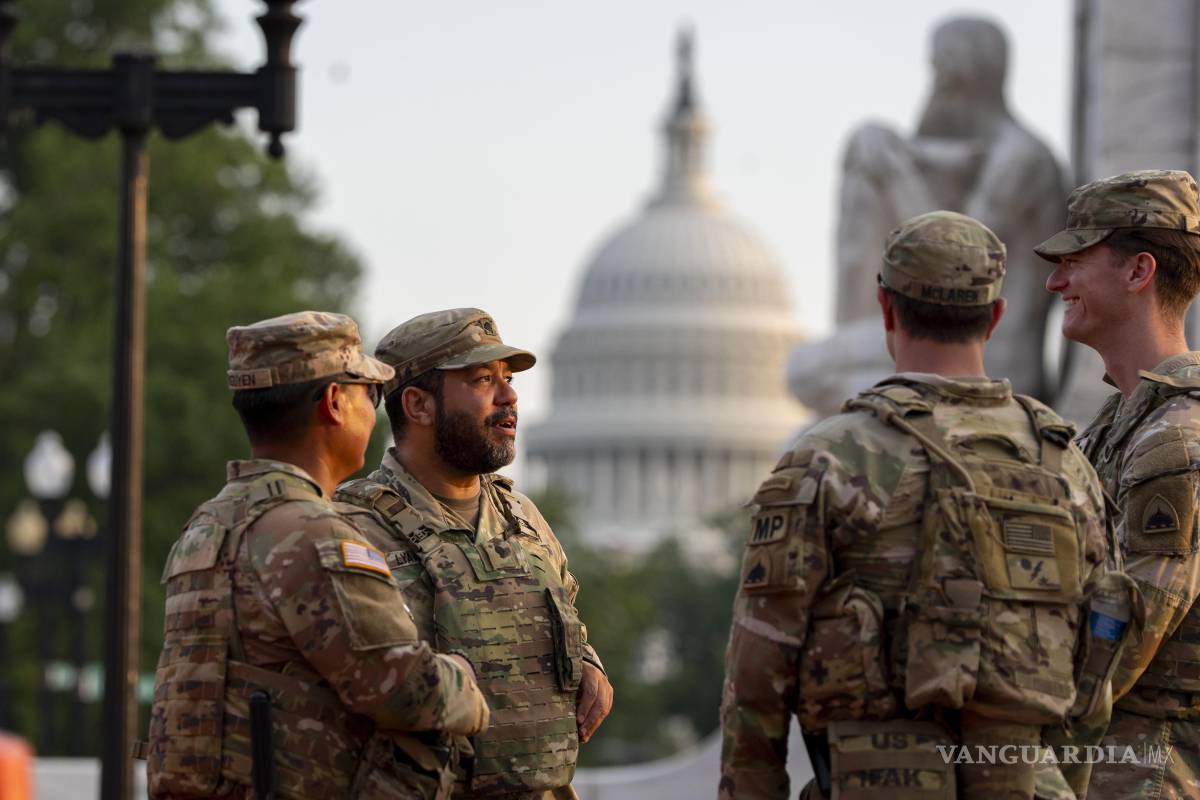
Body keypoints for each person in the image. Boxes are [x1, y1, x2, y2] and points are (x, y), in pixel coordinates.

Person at [720, 212, 1122, 800]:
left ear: (885, 308)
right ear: (995, 317)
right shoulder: (1067, 467)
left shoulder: (827, 460)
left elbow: (756, 678)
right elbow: (1096, 672)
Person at [145, 311, 489, 800]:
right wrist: (465, 680)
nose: (375, 413)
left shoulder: (206, 525)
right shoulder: (314, 534)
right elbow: (403, 690)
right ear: (333, 402)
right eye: (368, 394)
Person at [336, 308, 613, 799]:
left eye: (507, 379)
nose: (510, 397)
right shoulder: (353, 529)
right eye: (483, 380)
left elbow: (565, 615)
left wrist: (588, 664)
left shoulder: (523, 517)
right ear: (419, 406)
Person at [1036, 169, 1200, 799]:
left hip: (1148, 778)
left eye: (1075, 261)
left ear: (1139, 272)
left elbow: (1115, 652)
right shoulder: (1121, 425)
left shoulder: (1175, 442)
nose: (1055, 282)